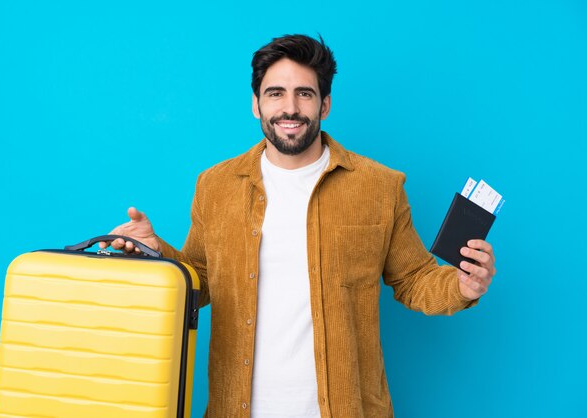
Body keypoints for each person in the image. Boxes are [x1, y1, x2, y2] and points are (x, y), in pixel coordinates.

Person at [100, 34, 496, 418]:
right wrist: (157, 251)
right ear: (256, 104)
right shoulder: (215, 186)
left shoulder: (379, 186)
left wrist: (461, 287)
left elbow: (413, 278)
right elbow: (201, 280)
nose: (290, 108)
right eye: (275, 93)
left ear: (325, 105)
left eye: (304, 94)